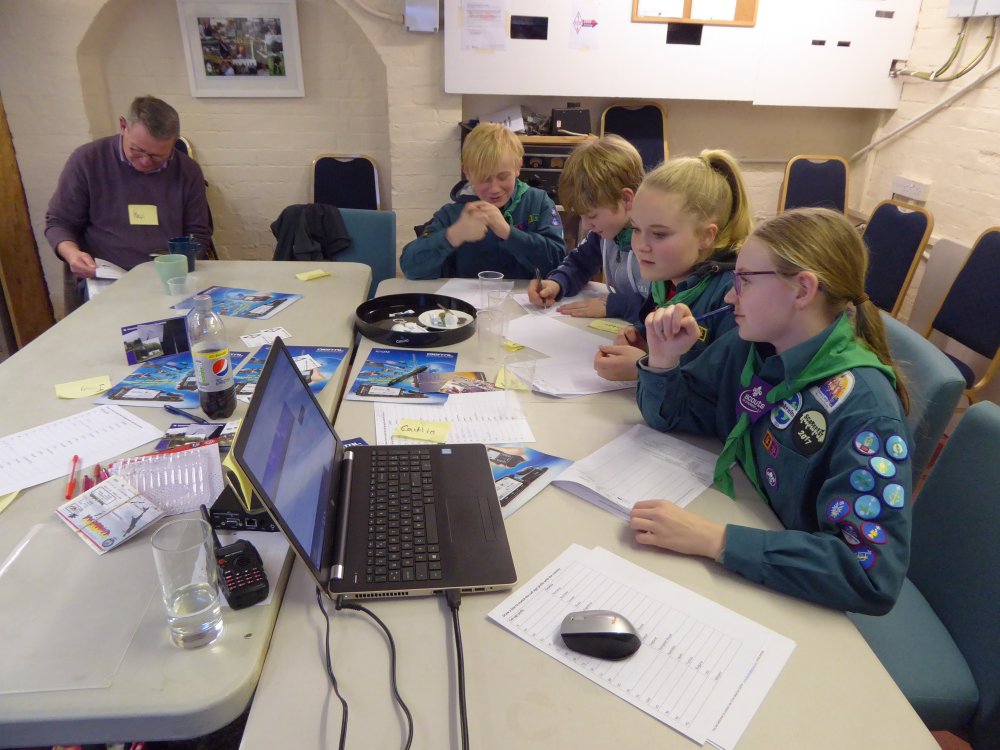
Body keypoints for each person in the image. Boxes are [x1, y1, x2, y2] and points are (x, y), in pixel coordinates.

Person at [631, 208, 913, 615]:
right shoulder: (751, 345)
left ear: (802, 290)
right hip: (749, 526)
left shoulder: (866, 412)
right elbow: (677, 415)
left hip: (796, 598)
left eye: (744, 281)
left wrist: (716, 540)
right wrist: (663, 360)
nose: (729, 297)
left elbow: (869, 574)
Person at [593, 150, 752, 381]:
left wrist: (646, 368)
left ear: (706, 236)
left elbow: (721, 387)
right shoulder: (667, 277)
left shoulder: (733, 298)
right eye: (636, 229)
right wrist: (642, 337)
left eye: (659, 234)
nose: (641, 246)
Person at [45, 95, 211, 279]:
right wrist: (72, 254)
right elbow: (59, 222)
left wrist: (182, 265)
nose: (145, 161)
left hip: (166, 275)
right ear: (123, 126)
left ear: (173, 142)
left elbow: (198, 233)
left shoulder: (187, 171)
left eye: (157, 156)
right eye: (137, 150)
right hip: (105, 276)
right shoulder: (88, 160)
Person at [399, 122, 565, 280]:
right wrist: (453, 235)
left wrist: (509, 233)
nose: (494, 188)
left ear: (517, 167)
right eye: (484, 179)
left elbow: (558, 264)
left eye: (502, 177)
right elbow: (411, 269)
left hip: (526, 298)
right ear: (467, 173)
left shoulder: (538, 202)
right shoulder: (452, 214)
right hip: (465, 299)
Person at [527, 135, 648, 320]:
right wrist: (557, 283)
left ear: (626, 199)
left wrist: (616, 305)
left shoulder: (657, 242)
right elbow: (580, 263)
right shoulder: (606, 233)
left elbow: (672, 305)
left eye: (592, 216)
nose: (585, 225)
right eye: (581, 216)